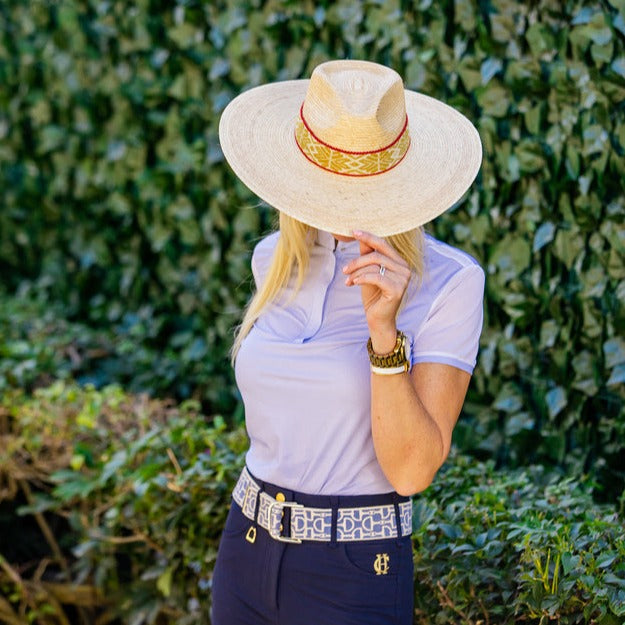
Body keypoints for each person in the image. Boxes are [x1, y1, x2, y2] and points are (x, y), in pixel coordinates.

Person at [211, 59, 485, 625]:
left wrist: (384, 333)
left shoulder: (450, 283)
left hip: (354, 569)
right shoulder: (274, 261)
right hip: (245, 546)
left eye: (360, 177)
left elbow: (412, 472)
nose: (342, 199)